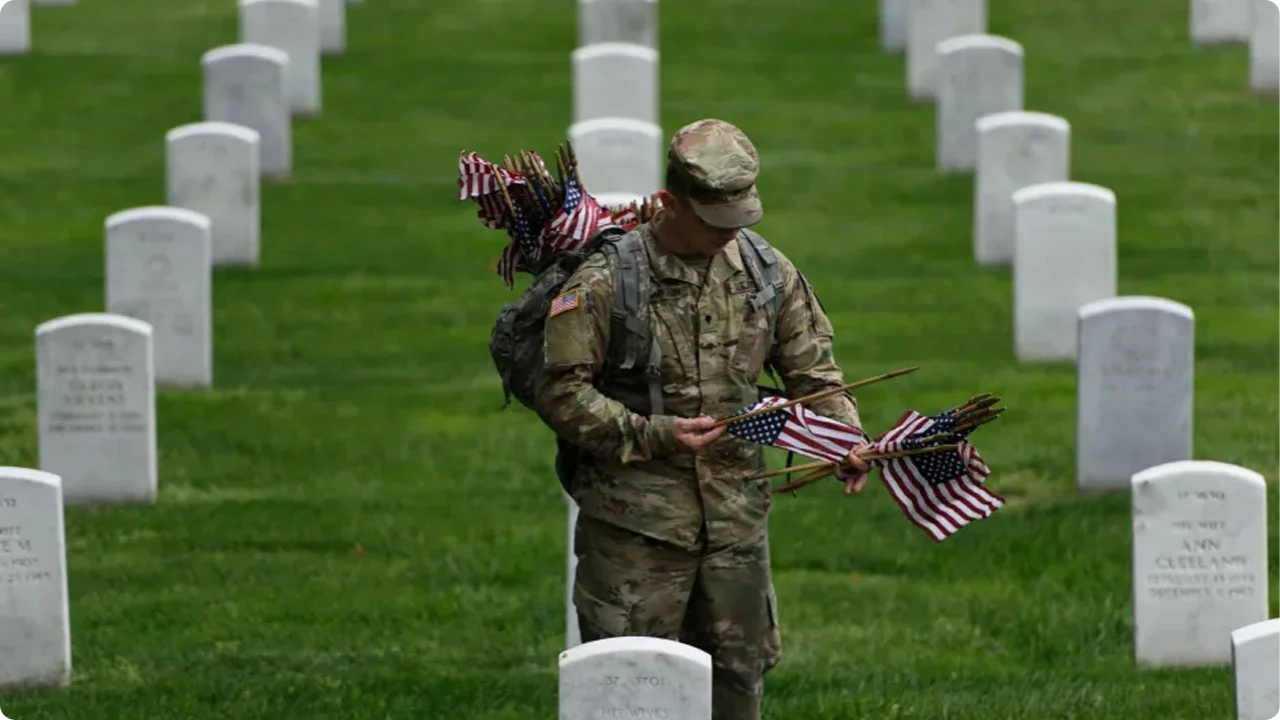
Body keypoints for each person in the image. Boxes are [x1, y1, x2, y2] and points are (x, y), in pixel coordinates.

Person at [533, 118, 870, 720]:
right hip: (636, 529)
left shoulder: (766, 274)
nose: (729, 236)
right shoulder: (608, 280)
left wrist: (845, 437)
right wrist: (653, 434)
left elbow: (815, 375)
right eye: (715, 223)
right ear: (667, 204)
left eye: (741, 220)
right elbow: (561, 393)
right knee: (631, 688)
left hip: (736, 524)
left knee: (737, 680)